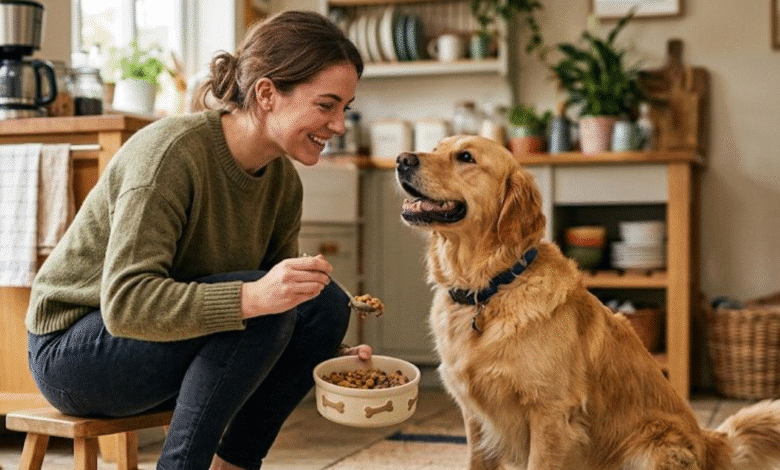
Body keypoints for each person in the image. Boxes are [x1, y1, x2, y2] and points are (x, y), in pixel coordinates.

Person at [26, 11, 369, 470]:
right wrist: (255, 298)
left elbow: (282, 306)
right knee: (262, 306)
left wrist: (329, 355)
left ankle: (233, 465)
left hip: (164, 341)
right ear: (267, 94)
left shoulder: (283, 182)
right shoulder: (170, 154)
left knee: (324, 304)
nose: (339, 124)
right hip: (75, 352)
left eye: (345, 108)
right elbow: (126, 304)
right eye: (326, 105)